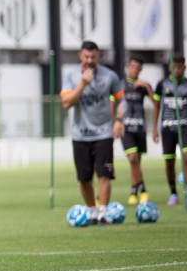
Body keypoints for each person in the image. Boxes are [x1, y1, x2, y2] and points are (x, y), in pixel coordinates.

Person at [60, 40, 125, 224]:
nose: (89, 60)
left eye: (93, 57)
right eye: (86, 56)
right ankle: (92, 212)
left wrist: (119, 120)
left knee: (104, 174)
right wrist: (82, 84)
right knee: (84, 178)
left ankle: (103, 213)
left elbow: (123, 100)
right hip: (80, 134)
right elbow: (66, 104)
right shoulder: (71, 76)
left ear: (98, 57)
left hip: (104, 133)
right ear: (80, 56)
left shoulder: (109, 76)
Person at [151, 54, 187, 207]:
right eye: (174, 67)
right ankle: (173, 193)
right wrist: (154, 128)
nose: (177, 70)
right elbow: (156, 106)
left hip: (185, 126)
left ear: (184, 67)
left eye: (180, 67)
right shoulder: (162, 85)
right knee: (169, 161)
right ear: (169, 67)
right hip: (167, 128)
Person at [120, 57, 153, 205]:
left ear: (140, 70)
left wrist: (146, 87)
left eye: (137, 68)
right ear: (128, 67)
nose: (134, 69)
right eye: (132, 66)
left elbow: (156, 103)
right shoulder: (120, 84)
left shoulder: (143, 86)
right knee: (133, 158)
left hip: (140, 127)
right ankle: (144, 190)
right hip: (125, 127)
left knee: (136, 162)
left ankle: (134, 192)